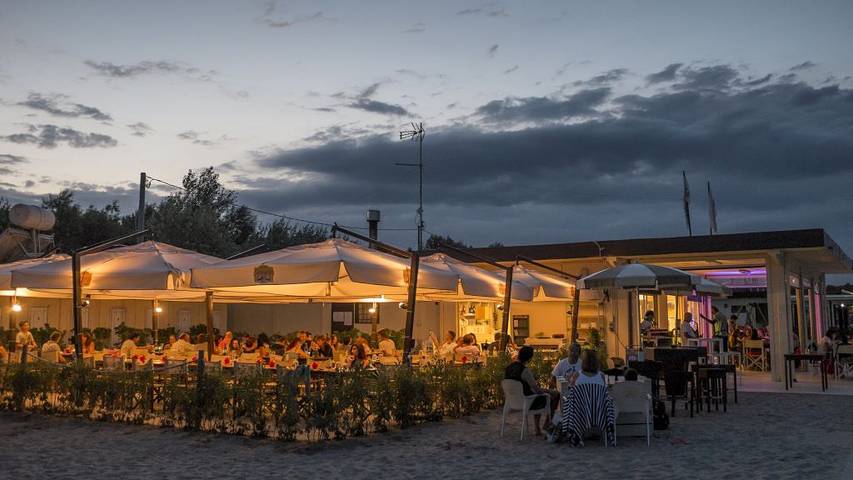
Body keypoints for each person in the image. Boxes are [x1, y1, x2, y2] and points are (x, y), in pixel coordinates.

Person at [504, 346, 559, 436]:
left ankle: (537, 429)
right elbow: (537, 390)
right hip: (526, 402)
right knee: (554, 396)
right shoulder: (525, 371)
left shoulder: (508, 368)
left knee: (537, 396)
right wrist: (549, 391)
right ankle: (546, 424)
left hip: (512, 401)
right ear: (529, 359)